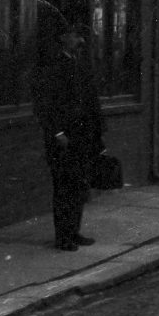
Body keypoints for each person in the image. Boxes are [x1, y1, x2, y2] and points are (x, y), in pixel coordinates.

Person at [36, 16, 103, 252]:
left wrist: (97, 136)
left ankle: (74, 231)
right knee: (64, 187)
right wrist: (57, 132)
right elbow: (45, 104)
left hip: (80, 136)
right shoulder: (53, 67)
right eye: (76, 36)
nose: (80, 41)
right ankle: (63, 236)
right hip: (63, 138)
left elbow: (91, 102)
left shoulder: (79, 64)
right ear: (63, 38)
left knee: (77, 186)